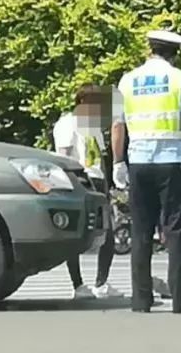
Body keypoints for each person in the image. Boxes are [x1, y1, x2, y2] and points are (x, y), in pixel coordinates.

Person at [111, 29, 181, 314]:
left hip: (138, 162)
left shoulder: (127, 80)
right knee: (176, 230)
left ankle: (141, 300)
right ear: (175, 53)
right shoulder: (180, 79)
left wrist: (118, 162)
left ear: (150, 49)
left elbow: (118, 126)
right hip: (173, 162)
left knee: (141, 231)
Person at [53, 85, 123, 300]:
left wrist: (108, 183)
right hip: (80, 179)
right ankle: (78, 284)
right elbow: (63, 155)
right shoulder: (67, 123)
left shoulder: (93, 127)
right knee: (78, 233)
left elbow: (101, 158)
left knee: (108, 233)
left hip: (98, 180)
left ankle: (101, 283)